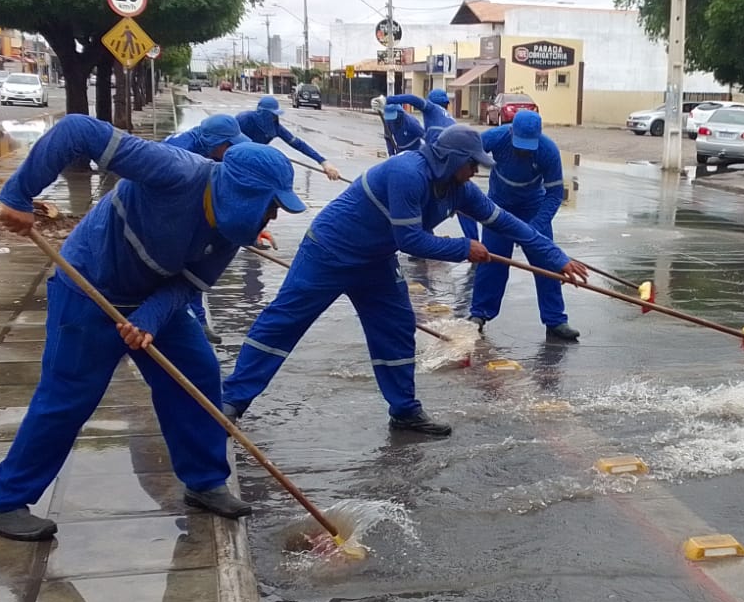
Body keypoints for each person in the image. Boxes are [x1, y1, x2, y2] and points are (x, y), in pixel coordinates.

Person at [0, 115, 307, 541]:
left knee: (198, 375)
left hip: (151, 296)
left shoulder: (230, 230)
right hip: (89, 286)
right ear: (245, 192)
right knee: (69, 397)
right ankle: (2, 504)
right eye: (272, 205)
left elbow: (189, 283)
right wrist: (18, 193)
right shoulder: (173, 170)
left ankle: (205, 482)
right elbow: (77, 130)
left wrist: (148, 318)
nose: (272, 217)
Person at [222, 125, 589, 436]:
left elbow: (507, 222)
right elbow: (410, 240)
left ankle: (404, 411)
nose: (475, 171)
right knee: (284, 322)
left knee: (396, 329)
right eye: (472, 164)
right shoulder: (407, 173)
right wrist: (464, 248)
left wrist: (557, 258)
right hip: (329, 251)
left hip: (375, 260)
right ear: (451, 160)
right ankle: (232, 402)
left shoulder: (459, 189)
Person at [465, 111, 577, 341]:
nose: (524, 151)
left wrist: (536, 226)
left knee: (546, 262)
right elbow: (467, 155)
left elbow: (555, 194)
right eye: (520, 145)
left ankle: (555, 320)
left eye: (529, 146)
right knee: (492, 259)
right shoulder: (495, 137)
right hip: (499, 206)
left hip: (533, 207)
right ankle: (480, 313)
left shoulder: (548, 151)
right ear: (511, 132)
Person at [163, 114, 252, 344]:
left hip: (182, 212)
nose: (230, 150)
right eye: (229, 145)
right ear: (217, 142)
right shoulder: (181, 156)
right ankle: (186, 324)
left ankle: (199, 323)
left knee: (195, 268)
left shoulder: (206, 146)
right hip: (164, 214)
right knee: (182, 269)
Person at [237, 95, 343, 181]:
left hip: (253, 161)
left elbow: (298, 144)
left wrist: (324, 163)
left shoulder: (276, 128)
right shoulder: (244, 119)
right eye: (272, 115)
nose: (273, 118)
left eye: (275, 116)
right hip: (236, 159)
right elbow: (229, 138)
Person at [386, 88, 457, 142]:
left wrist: (387, 100)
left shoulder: (431, 108)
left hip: (443, 145)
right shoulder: (451, 119)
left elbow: (412, 98)